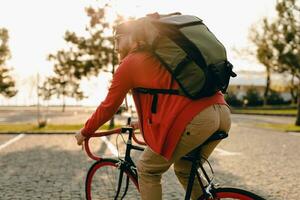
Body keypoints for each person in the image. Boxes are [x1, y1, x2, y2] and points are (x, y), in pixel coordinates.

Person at [75, 18, 231, 200]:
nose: (116, 47)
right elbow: (169, 97)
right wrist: (140, 122)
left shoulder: (131, 63)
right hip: (221, 113)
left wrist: (85, 131)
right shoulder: (163, 56)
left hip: (196, 119)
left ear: (131, 37)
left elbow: (108, 107)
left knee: (147, 170)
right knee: (185, 168)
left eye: (118, 39)